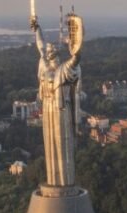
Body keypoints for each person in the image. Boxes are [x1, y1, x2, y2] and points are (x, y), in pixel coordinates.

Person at [30, 15, 81, 187]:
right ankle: (54, 181)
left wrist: (75, 41)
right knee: (50, 143)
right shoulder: (44, 66)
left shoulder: (63, 70)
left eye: (53, 51)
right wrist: (37, 28)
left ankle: (66, 182)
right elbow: (40, 45)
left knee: (62, 144)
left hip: (61, 109)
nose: (49, 52)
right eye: (49, 51)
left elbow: (76, 60)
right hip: (48, 108)